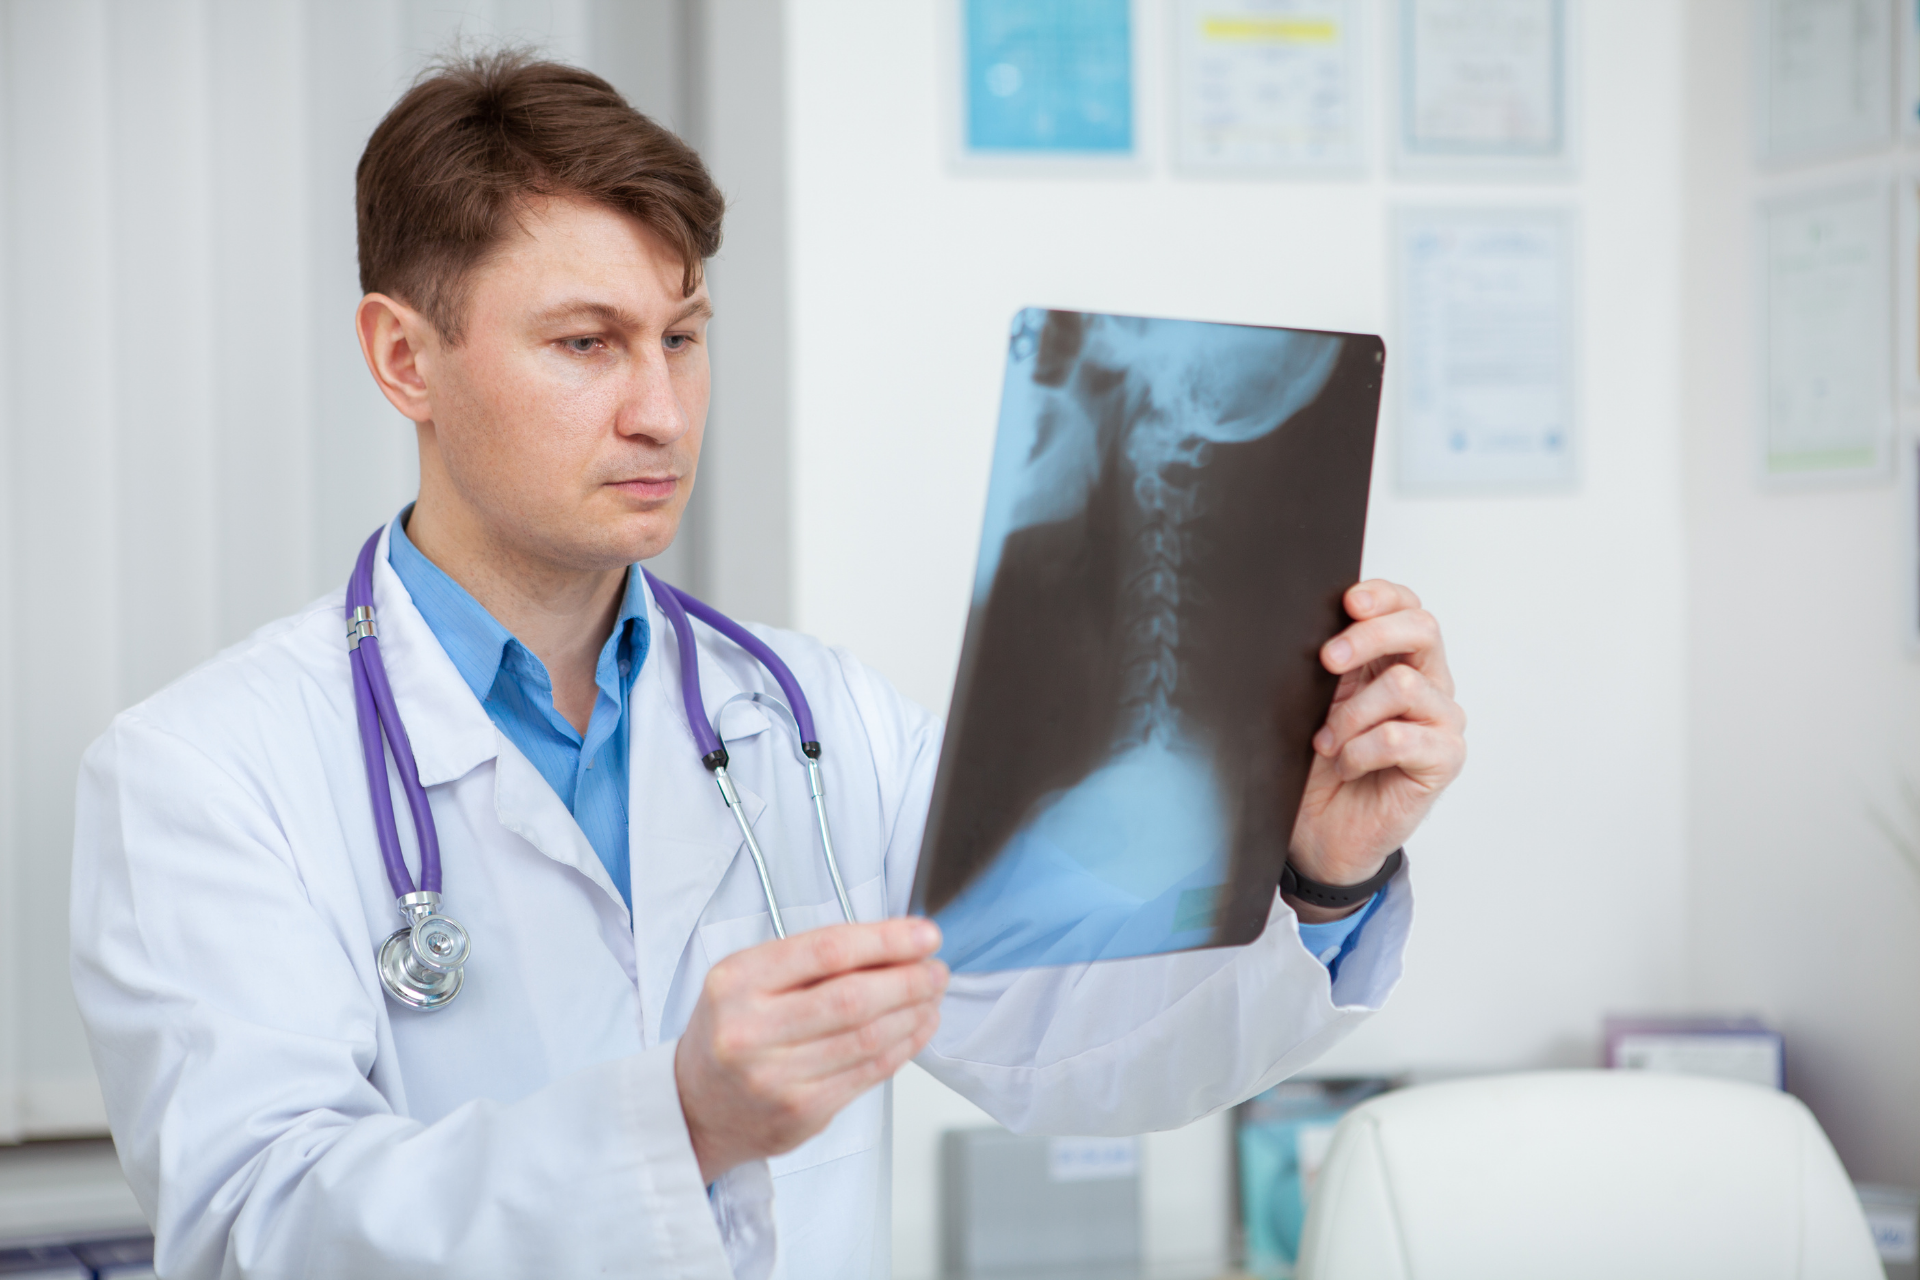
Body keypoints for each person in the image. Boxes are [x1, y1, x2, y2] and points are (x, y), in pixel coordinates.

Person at [68, 53, 1466, 1280]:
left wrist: (1321, 875)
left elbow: (1071, 1044)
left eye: (681, 338)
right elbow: (258, 1227)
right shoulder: (206, 775)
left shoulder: (816, 720)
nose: (661, 412)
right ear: (403, 359)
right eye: (585, 344)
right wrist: (676, 1126)